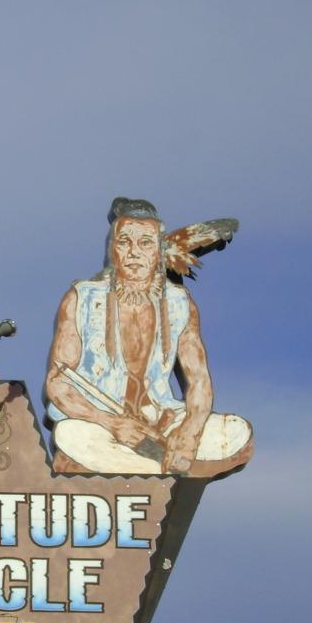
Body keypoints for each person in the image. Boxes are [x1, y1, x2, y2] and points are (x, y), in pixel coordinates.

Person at [45, 198, 252, 477]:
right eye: (124, 242)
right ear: (112, 249)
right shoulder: (81, 298)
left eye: (145, 243)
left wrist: (189, 433)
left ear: (158, 251)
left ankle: (152, 460)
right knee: (71, 434)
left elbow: (199, 381)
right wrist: (111, 423)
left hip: (161, 421)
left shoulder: (180, 304)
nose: (133, 253)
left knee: (235, 432)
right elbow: (58, 381)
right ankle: (162, 466)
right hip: (100, 422)